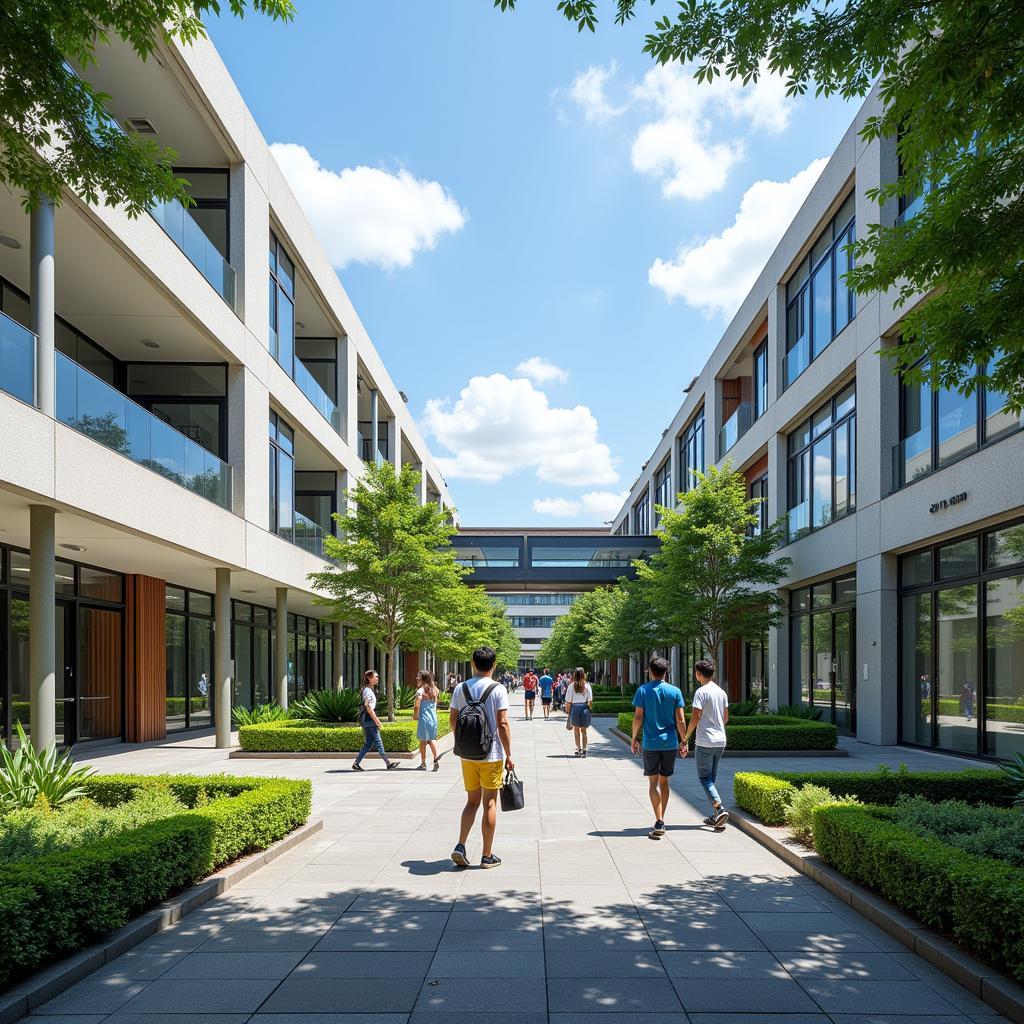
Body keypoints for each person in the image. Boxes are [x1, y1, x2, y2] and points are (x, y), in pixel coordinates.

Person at [450, 646, 514, 869]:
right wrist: (509, 754)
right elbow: (503, 723)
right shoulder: (498, 689)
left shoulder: (460, 688)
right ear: (494, 666)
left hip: (467, 755)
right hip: (491, 754)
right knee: (489, 803)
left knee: (471, 802)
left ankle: (460, 845)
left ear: (472, 664)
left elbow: (453, 720)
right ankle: (487, 856)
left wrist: (461, 742)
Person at [631, 655, 687, 839]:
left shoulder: (643, 691)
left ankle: (659, 819)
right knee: (665, 782)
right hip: (670, 743)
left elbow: (638, 717)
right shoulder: (675, 691)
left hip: (650, 744)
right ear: (666, 672)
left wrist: (633, 739)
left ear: (650, 671)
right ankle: (662, 819)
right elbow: (680, 719)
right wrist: (684, 741)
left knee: (653, 783)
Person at [683, 658, 730, 828]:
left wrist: (686, 737)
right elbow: (726, 718)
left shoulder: (701, 692)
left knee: (704, 778)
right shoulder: (721, 692)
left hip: (705, 741)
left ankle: (720, 808)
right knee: (711, 778)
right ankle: (715, 814)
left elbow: (695, 716)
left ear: (698, 674)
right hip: (720, 740)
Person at [352, 669, 399, 772]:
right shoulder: (367, 691)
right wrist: (377, 720)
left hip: (367, 718)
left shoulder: (368, 690)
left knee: (368, 743)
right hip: (369, 718)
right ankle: (388, 763)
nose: (377, 679)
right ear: (369, 678)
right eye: (375, 677)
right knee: (378, 741)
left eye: (377, 677)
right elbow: (368, 706)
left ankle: (356, 764)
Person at [414, 670, 444, 771]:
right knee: (429, 739)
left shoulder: (420, 691)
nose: (417, 678)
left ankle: (428, 762)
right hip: (433, 718)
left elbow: (417, 706)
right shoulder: (435, 690)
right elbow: (434, 706)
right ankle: (430, 761)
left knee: (425, 740)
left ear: (423, 678)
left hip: (424, 718)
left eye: (419, 676)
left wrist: (415, 716)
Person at [565, 666, 593, 757]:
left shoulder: (571, 686)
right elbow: (590, 701)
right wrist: (589, 711)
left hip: (574, 708)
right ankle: (584, 750)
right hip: (584, 708)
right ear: (583, 675)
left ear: (575, 675)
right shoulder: (587, 685)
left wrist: (567, 711)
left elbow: (568, 701)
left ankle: (579, 749)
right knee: (584, 731)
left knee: (576, 731)